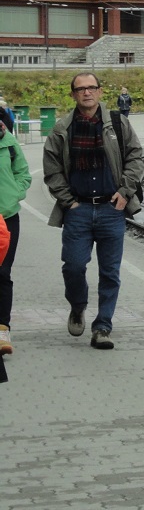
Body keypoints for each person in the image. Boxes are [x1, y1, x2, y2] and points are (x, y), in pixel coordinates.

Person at [43, 73, 144, 351]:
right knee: (73, 266)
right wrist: (67, 201)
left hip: (112, 209)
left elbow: (135, 157)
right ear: (73, 95)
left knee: (110, 272)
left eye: (91, 88)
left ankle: (103, 327)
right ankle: (78, 306)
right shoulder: (63, 128)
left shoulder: (118, 123)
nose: (87, 93)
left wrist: (124, 192)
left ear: (99, 92)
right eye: (81, 89)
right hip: (79, 210)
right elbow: (51, 169)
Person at [0, 118, 32, 356]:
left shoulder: (9, 142)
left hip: (7, 216)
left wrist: (14, 193)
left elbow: (23, 173)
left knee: (2, 273)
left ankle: (2, 332)